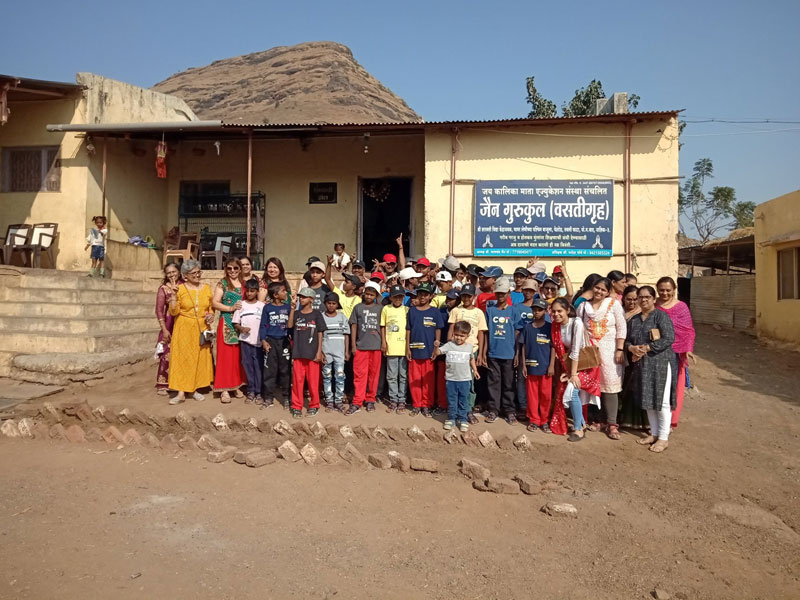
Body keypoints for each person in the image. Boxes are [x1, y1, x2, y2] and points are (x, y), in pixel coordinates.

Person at [626, 286, 677, 453]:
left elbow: (669, 338)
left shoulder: (661, 316)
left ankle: (663, 438)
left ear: (654, 299)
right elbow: (627, 340)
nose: (643, 300)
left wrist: (648, 348)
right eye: (640, 297)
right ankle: (654, 433)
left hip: (660, 363)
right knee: (648, 399)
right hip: (642, 364)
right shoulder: (634, 320)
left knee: (662, 401)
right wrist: (632, 348)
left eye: (647, 297)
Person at [577, 277, 627, 440]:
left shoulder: (613, 305)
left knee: (610, 386)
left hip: (610, 351)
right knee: (592, 385)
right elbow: (579, 328)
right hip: (590, 352)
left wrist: (620, 349)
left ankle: (612, 423)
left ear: (607, 292)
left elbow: (621, 327)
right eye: (597, 288)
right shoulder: (583, 307)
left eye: (603, 289)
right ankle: (598, 420)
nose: (599, 291)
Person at [549, 298, 602, 442]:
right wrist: (569, 372)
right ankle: (582, 424)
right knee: (571, 392)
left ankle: (579, 429)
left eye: (559, 311)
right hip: (572, 365)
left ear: (567, 310)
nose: (556, 314)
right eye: (553, 311)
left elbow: (575, 352)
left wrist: (573, 375)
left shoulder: (576, 323)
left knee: (572, 392)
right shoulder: (555, 326)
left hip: (587, 365)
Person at [166, 260, 214, 404]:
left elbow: (210, 308)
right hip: (184, 327)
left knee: (199, 358)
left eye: (199, 272)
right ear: (185, 275)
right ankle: (181, 392)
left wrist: (211, 316)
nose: (197, 275)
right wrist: (173, 296)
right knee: (183, 359)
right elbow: (173, 311)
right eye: (194, 273)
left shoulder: (207, 288)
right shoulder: (179, 289)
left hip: (202, 327)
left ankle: (194, 389)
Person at [655, 276, 696, 428]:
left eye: (668, 290)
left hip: (675, 353)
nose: (664, 293)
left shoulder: (681, 307)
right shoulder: (653, 305)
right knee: (656, 387)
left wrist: (688, 349)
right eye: (661, 290)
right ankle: (655, 420)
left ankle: (671, 421)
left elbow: (688, 330)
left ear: (674, 290)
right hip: (655, 352)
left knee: (674, 387)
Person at [447, 283, 488, 424]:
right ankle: (455, 410)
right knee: (455, 382)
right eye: (464, 296)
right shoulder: (456, 311)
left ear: (474, 297)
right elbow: (451, 330)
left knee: (469, 382)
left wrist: (481, 354)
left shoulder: (479, 313)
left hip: (472, 352)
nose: (466, 298)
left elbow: (481, 333)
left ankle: (468, 410)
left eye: (469, 296)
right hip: (456, 352)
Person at [483, 277, 522, 424]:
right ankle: (493, 410)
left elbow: (518, 333)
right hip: (493, 353)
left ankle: (509, 411)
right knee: (493, 382)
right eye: (498, 293)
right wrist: (484, 352)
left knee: (509, 383)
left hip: (509, 354)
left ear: (508, 294)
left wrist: (517, 353)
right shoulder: (490, 311)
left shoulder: (513, 311)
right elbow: (485, 333)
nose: (500, 295)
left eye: (503, 293)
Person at [405, 282, 445, 416]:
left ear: (431, 296)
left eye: (425, 294)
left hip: (429, 351)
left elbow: (438, 329)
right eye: (420, 294)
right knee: (414, 379)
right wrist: (407, 348)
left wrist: (436, 348)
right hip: (415, 351)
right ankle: (417, 404)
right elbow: (408, 330)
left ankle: (427, 405)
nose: (422, 297)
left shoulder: (435, 311)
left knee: (428, 380)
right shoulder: (412, 311)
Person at [212, 258, 246, 403]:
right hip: (227, 322)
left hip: (241, 324)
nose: (232, 271)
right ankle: (224, 389)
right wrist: (230, 308)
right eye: (229, 268)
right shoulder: (223, 283)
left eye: (235, 268)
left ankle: (236, 385)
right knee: (225, 357)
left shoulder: (244, 284)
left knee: (238, 356)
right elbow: (215, 302)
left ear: (240, 269)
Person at [435, 320, 480, 432]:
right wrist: (436, 346)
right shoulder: (449, 345)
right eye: (457, 335)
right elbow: (438, 353)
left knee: (463, 400)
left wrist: (475, 370)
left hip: (465, 380)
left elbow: (471, 359)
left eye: (462, 336)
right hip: (451, 380)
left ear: (467, 336)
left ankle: (463, 419)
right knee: (452, 400)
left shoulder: (469, 347)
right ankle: (451, 419)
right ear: (453, 334)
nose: (459, 338)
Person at [519, 298, 555, 432]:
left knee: (546, 395)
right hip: (531, 367)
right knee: (532, 395)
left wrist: (551, 365)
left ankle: (544, 420)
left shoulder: (550, 327)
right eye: (534, 309)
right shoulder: (527, 327)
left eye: (539, 310)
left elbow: (553, 347)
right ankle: (534, 420)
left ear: (545, 311)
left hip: (545, 368)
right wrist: (523, 365)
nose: (536, 312)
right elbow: (523, 346)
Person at [290, 288, 327, 418]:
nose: (301, 299)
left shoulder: (317, 314)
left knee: (313, 382)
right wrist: (292, 308)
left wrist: (319, 351)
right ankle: (296, 406)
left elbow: (320, 333)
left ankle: (314, 405)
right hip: (298, 352)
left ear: (311, 299)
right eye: (300, 297)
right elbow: (290, 326)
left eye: (304, 297)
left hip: (312, 353)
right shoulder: (296, 313)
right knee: (297, 382)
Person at [348, 281, 383, 414]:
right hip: (361, 347)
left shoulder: (380, 309)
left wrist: (383, 344)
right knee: (359, 375)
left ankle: (370, 400)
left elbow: (383, 327)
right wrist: (353, 345)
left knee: (373, 375)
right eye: (367, 294)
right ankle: (357, 401)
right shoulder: (358, 308)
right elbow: (354, 326)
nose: (369, 297)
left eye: (372, 295)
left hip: (376, 346)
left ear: (376, 296)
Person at [259, 282, 295, 409]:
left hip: (284, 342)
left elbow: (291, 326)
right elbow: (263, 325)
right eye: (283, 291)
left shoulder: (288, 307)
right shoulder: (267, 308)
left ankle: (286, 397)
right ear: (275, 295)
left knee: (285, 371)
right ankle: (268, 397)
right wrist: (263, 340)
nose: (286, 293)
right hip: (271, 342)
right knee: (269, 370)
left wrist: (293, 342)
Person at [619, 284, 649, 430]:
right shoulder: (618, 312)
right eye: (629, 299)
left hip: (640, 356)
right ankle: (624, 419)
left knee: (639, 387)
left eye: (635, 299)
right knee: (625, 387)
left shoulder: (642, 315)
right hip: (622, 354)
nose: (632, 302)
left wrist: (640, 350)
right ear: (623, 299)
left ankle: (645, 422)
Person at [232, 278, 266, 404]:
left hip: (259, 342)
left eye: (252, 291)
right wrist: (242, 329)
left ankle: (259, 392)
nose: (249, 293)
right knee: (248, 366)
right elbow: (235, 323)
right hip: (245, 341)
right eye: (247, 291)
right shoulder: (241, 305)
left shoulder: (262, 306)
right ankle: (251, 390)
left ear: (257, 291)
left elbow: (266, 324)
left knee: (259, 367)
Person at [154, 263, 182, 396]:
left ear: (179, 272)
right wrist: (164, 329)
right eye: (169, 273)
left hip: (182, 322)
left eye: (174, 272)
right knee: (167, 353)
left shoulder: (184, 286)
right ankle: (163, 383)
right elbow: (159, 310)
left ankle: (180, 382)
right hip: (169, 323)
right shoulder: (163, 289)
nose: (172, 275)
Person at [381, 285, 409, 412]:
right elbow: (383, 327)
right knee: (391, 375)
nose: (398, 299)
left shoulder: (407, 310)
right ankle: (393, 400)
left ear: (403, 297)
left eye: (400, 297)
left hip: (404, 348)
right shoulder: (386, 309)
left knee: (403, 375)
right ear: (391, 297)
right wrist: (384, 343)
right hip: (391, 346)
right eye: (395, 297)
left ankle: (402, 400)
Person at [321, 292, 350, 412]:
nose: (331, 305)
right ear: (325, 304)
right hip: (326, 352)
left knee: (340, 376)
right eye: (329, 303)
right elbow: (319, 336)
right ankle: (329, 400)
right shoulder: (321, 317)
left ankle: (338, 400)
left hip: (340, 353)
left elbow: (346, 335)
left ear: (337, 305)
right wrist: (320, 352)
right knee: (327, 376)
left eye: (334, 303)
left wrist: (346, 351)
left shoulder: (342, 317)